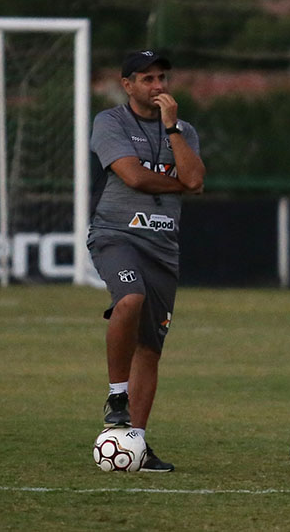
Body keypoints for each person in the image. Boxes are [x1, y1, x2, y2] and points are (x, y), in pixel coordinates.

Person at [88, 50, 205, 472]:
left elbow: (195, 179)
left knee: (150, 349)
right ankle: (116, 396)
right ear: (128, 85)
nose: (158, 87)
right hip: (115, 234)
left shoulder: (184, 129)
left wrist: (172, 128)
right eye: (148, 79)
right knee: (130, 298)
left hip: (163, 246)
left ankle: (133, 443)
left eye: (162, 78)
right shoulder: (110, 122)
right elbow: (133, 176)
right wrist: (178, 182)